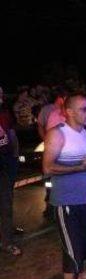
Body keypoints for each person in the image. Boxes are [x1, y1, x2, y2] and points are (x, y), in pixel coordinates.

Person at [43, 94, 86, 279]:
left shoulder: (84, 133)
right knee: (72, 250)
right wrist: (80, 167)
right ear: (69, 111)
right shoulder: (57, 134)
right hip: (66, 203)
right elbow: (47, 168)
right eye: (84, 109)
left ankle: (83, 277)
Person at [0, 87, 22, 256]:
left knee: (6, 204)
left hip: (6, 164)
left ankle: (7, 241)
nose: (1, 97)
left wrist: (15, 158)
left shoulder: (5, 112)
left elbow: (11, 134)